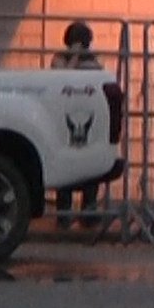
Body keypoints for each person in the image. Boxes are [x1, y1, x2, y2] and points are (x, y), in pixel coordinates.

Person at [52, 22, 104, 221]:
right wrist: (73, 56)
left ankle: (88, 209)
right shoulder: (59, 58)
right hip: (65, 116)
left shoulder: (93, 61)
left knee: (90, 162)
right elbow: (62, 78)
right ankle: (63, 211)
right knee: (65, 160)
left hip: (88, 114)